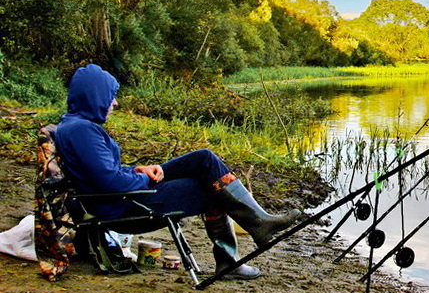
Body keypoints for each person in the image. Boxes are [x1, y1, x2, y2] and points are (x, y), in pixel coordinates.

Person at [53, 63, 304, 280]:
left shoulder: (76, 125)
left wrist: (138, 169)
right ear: (95, 96)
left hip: (122, 196)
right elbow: (110, 182)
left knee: (204, 159)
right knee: (211, 187)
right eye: (111, 96)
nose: (115, 102)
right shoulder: (82, 131)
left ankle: (255, 226)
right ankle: (238, 250)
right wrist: (141, 177)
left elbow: (103, 171)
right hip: (122, 205)